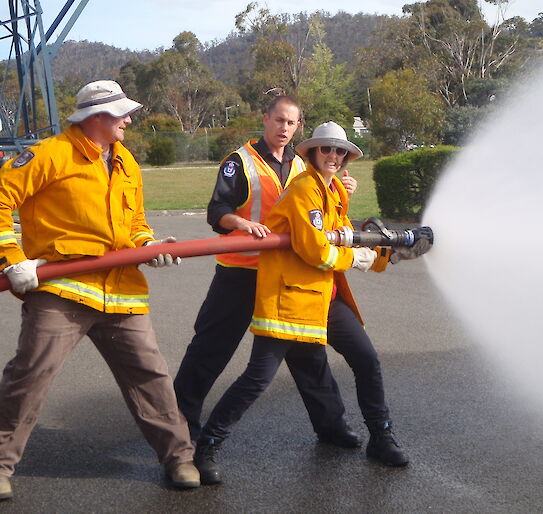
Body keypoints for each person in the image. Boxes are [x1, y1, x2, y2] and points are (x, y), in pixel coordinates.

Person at [193, 121, 431, 483]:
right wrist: (372, 259)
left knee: (366, 360)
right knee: (257, 379)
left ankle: (381, 437)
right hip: (290, 298)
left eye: (340, 151)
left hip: (322, 296)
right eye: (327, 149)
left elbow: (343, 238)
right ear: (313, 153)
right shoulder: (305, 190)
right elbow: (317, 250)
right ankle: (207, 446)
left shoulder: (332, 190)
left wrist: (391, 253)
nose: (333, 156)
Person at [0, 80, 200, 501]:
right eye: (122, 113)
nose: (129, 120)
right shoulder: (50, 154)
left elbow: (136, 223)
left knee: (152, 376)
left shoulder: (125, 161)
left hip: (122, 289)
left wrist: (148, 244)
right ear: (96, 117)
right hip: (62, 289)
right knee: (30, 374)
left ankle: (179, 458)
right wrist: (10, 258)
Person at [174, 97, 360, 485]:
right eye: (279, 120)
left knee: (307, 351)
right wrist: (239, 222)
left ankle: (331, 426)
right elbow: (216, 211)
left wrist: (343, 188)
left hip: (285, 276)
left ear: (298, 127)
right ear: (266, 120)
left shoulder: (302, 164)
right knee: (209, 352)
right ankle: (179, 432)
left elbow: (321, 206)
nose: (285, 129)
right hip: (240, 273)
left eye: (292, 123)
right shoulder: (239, 161)